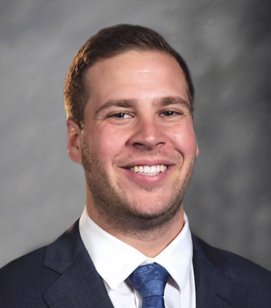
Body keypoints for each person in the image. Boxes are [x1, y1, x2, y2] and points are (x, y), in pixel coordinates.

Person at [0, 24, 270, 308]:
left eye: (169, 112)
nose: (150, 137)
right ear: (76, 140)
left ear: (194, 134)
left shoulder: (262, 293)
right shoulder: (10, 295)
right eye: (120, 114)